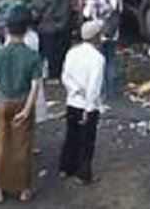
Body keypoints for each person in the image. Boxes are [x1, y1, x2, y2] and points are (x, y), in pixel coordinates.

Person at [0, 4, 43, 203]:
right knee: (23, 147)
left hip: (3, 101)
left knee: (2, 146)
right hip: (22, 102)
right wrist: (28, 109)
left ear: (7, 29)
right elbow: (35, 85)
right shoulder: (33, 56)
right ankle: (24, 188)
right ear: (26, 29)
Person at [59, 20, 106, 185]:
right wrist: (89, 107)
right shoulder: (98, 58)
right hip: (87, 105)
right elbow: (94, 86)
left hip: (72, 101)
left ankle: (66, 167)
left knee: (71, 136)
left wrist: (74, 90)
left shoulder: (72, 53)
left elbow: (65, 76)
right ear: (95, 37)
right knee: (86, 141)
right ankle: (83, 173)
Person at [83, 0, 122, 98]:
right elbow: (119, 11)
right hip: (113, 33)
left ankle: (102, 91)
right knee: (111, 60)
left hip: (98, 34)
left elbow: (86, 14)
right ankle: (111, 91)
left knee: (99, 62)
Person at [32, 0, 75, 81]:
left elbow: (37, 7)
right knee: (60, 52)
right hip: (64, 26)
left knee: (47, 52)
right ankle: (58, 73)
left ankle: (49, 75)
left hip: (48, 27)